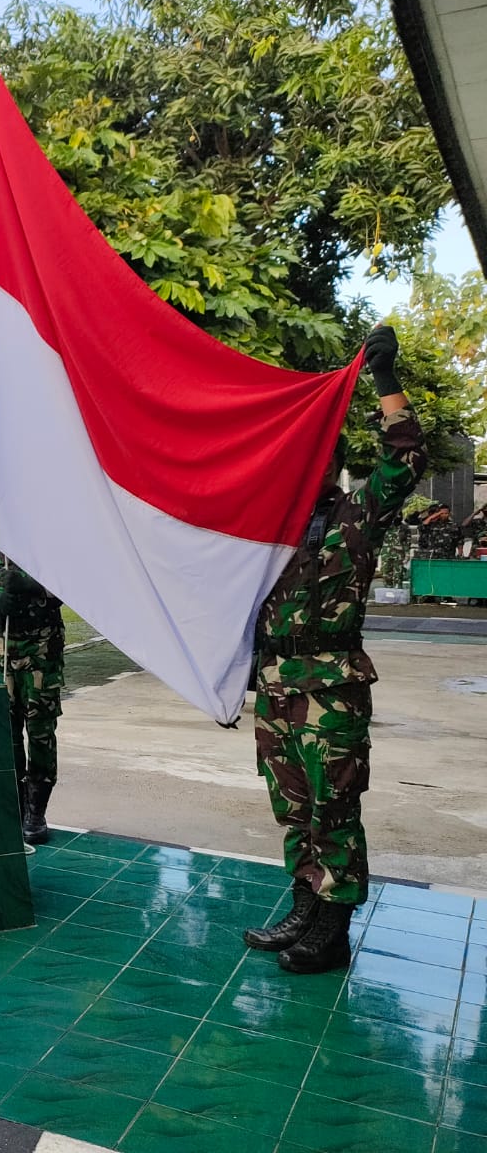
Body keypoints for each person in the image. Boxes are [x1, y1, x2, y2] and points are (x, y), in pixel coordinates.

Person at [244, 324, 425, 975]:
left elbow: (405, 459)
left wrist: (384, 382)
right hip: (276, 687)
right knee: (292, 810)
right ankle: (304, 906)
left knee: (334, 808)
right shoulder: (265, 527)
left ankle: (334, 928)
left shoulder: (357, 515)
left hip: (331, 688)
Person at [0, 533, 66, 844]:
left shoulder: (48, 532)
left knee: (39, 729)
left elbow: (73, 584)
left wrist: (31, 585)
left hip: (41, 648)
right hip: (0, 648)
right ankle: (14, 804)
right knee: (4, 728)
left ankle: (36, 810)